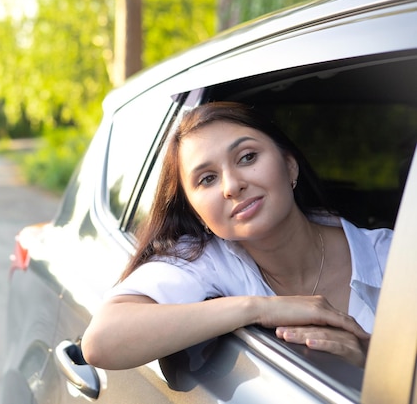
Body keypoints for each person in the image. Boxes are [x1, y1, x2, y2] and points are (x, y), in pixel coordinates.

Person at [81, 101, 392, 370]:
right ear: (196, 212)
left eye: (247, 157)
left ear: (289, 165)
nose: (231, 186)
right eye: (207, 179)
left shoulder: (395, 255)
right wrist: (258, 308)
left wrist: (370, 358)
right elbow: (101, 341)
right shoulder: (206, 261)